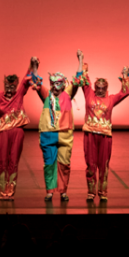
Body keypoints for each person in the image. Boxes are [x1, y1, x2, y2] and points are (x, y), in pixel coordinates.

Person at [73, 50, 129, 201]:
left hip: (105, 136)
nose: (99, 90)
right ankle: (91, 192)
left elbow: (125, 92)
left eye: (102, 88)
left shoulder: (111, 99)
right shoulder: (89, 94)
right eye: (97, 87)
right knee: (91, 164)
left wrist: (125, 75)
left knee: (103, 165)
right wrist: (81, 59)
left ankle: (103, 192)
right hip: (90, 135)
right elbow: (82, 77)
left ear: (106, 88)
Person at [0, 56, 36, 201]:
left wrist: (31, 64)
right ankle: (3, 191)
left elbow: (27, 79)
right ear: (4, 85)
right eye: (7, 86)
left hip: (17, 131)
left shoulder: (19, 94)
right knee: (2, 160)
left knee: (13, 160)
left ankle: (10, 191)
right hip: (2, 132)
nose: (10, 89)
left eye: (12, 86)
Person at [32, 56, 78, 201]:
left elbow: (77, 80)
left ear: (63, 85)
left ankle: (63, 191)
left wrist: (80, 60)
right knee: (49, 164)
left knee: (64, 164)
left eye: (58, 84)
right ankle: (50, 191)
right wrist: (35, 66)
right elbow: (37, 82)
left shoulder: (68, 94)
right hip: (48, 135)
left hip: (64, 134)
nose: (54, 88)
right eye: (52, 84)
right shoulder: (47, 95)